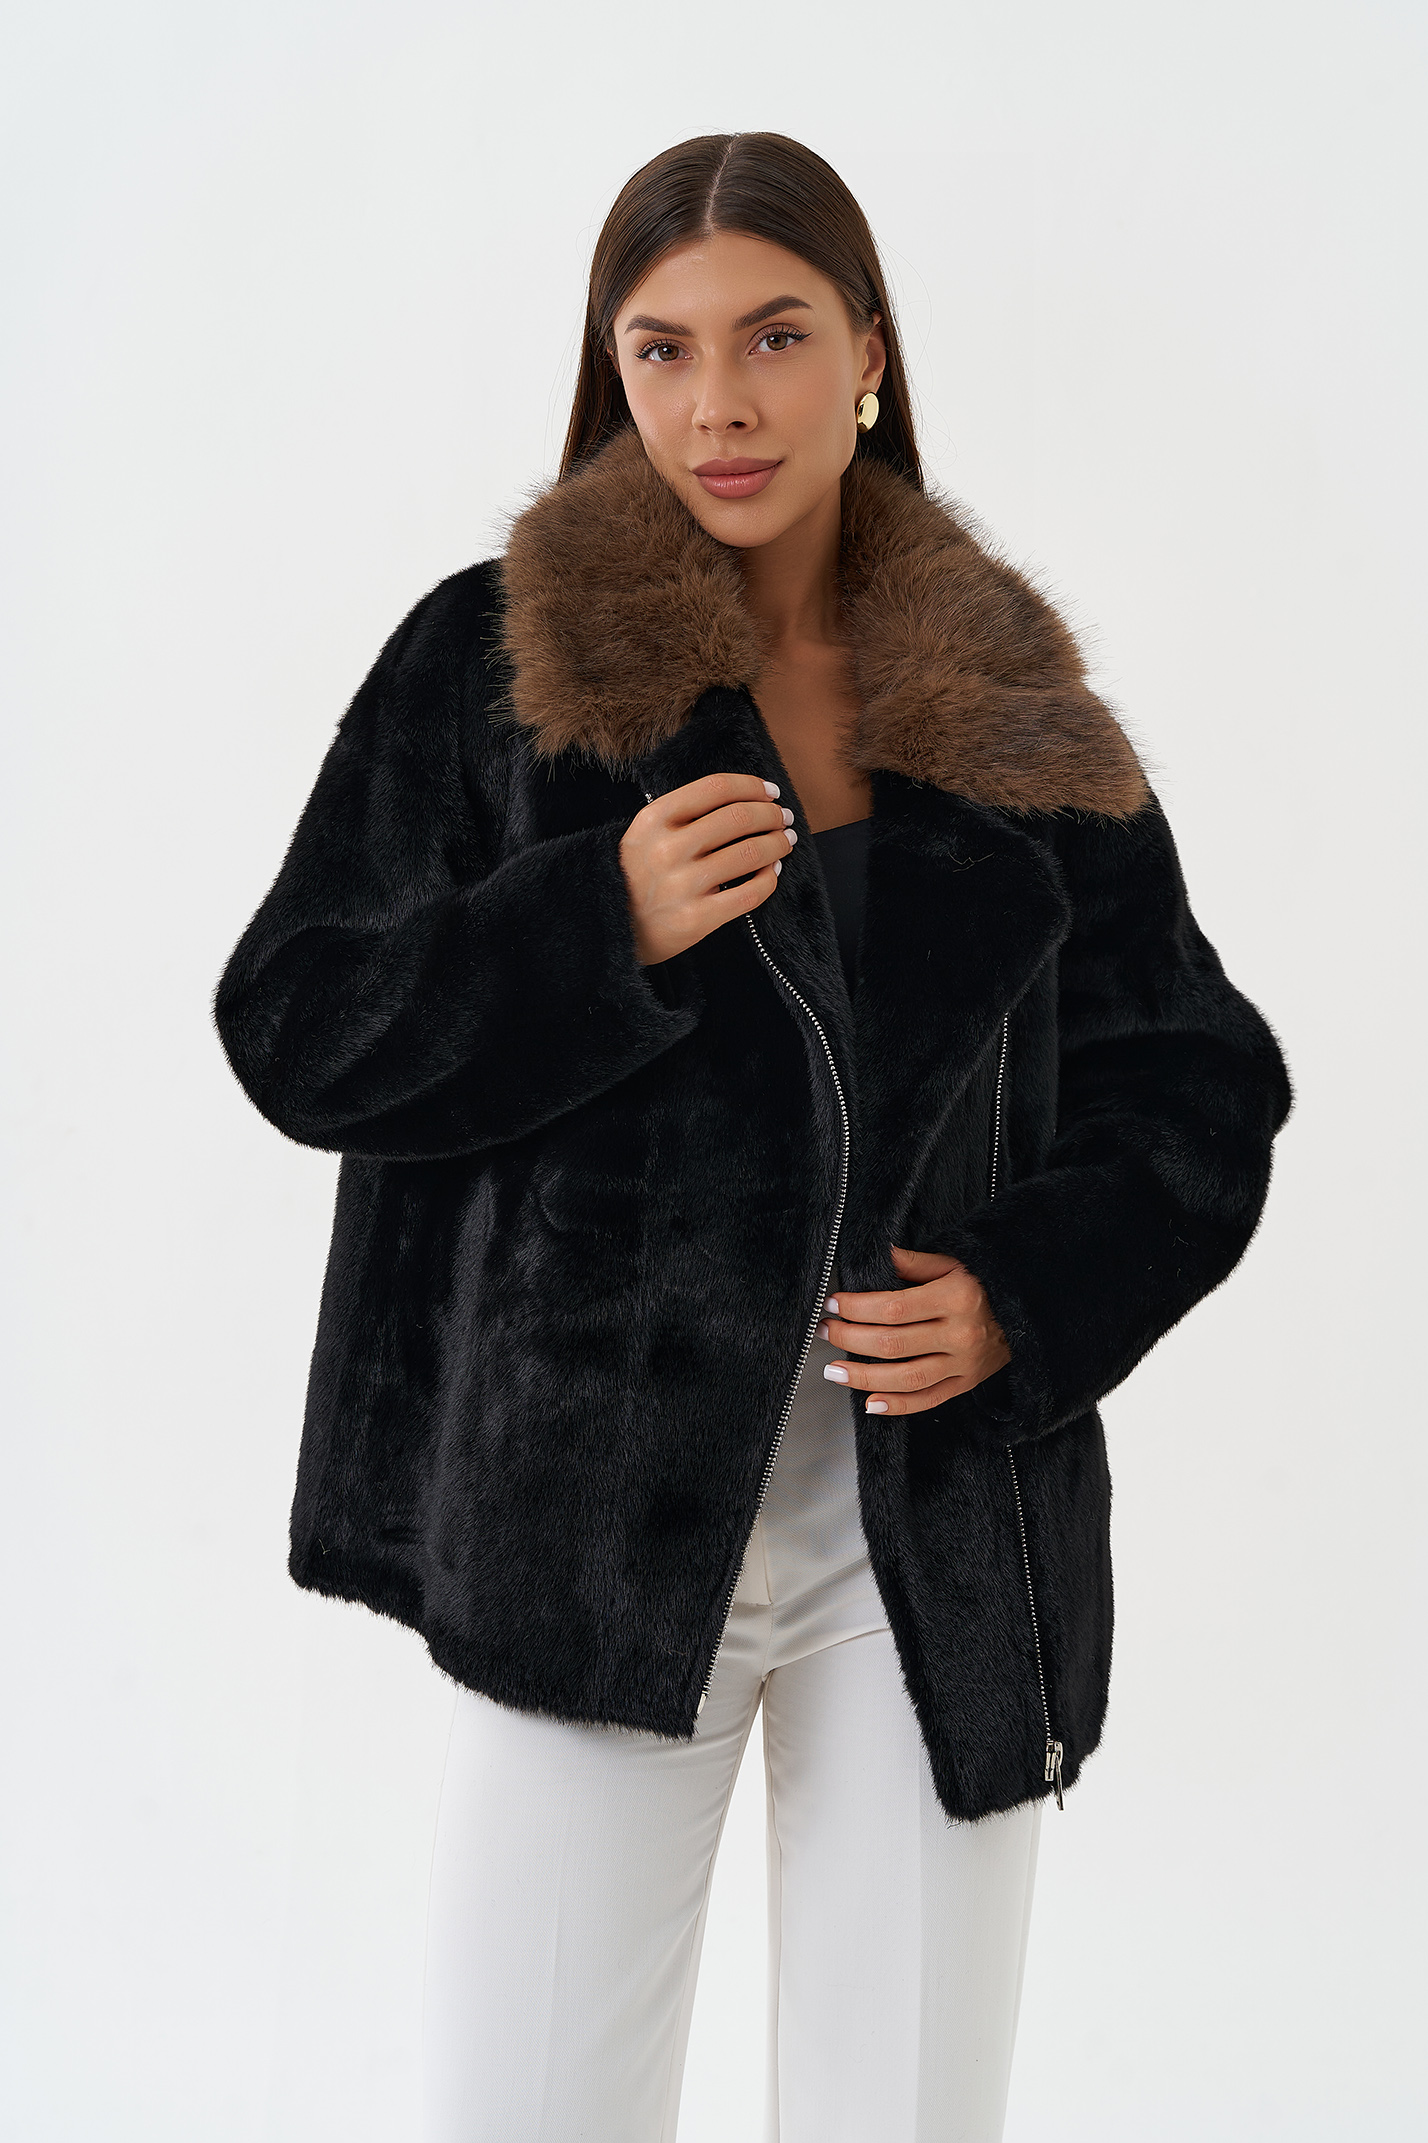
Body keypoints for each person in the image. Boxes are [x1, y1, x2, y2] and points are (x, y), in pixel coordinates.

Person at [213, 132, 1291, 2143]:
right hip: (586, 1525)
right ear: (612, 370)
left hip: (933, 1530)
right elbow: (295, 1023)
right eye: (665, 346)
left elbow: (1201, 1083)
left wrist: (1026, 1294)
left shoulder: (1008, 702)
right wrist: (587, 926)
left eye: (775, 336)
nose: (720, 401)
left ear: (867, 354)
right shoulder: (494, 667)